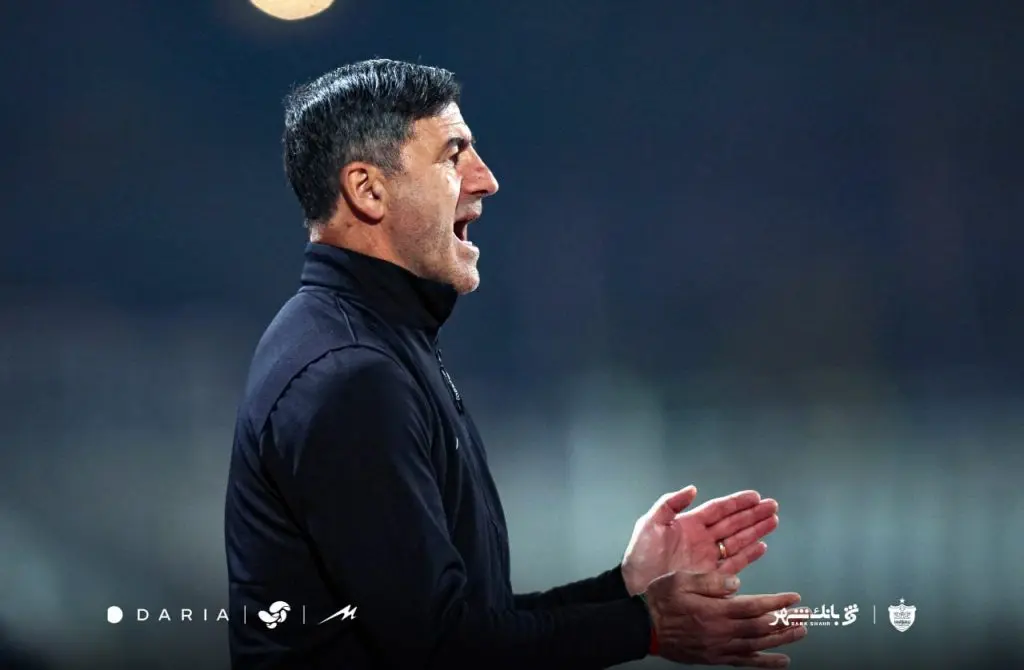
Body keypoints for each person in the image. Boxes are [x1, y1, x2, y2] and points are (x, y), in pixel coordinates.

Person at [223, 59, 807, 669]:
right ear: (369, 190)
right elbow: (443, 650)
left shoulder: (375, 342)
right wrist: (645, 627)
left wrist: (625, 590)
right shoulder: (348, 376)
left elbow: (463, 620)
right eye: (453, 155)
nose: (486, 179)